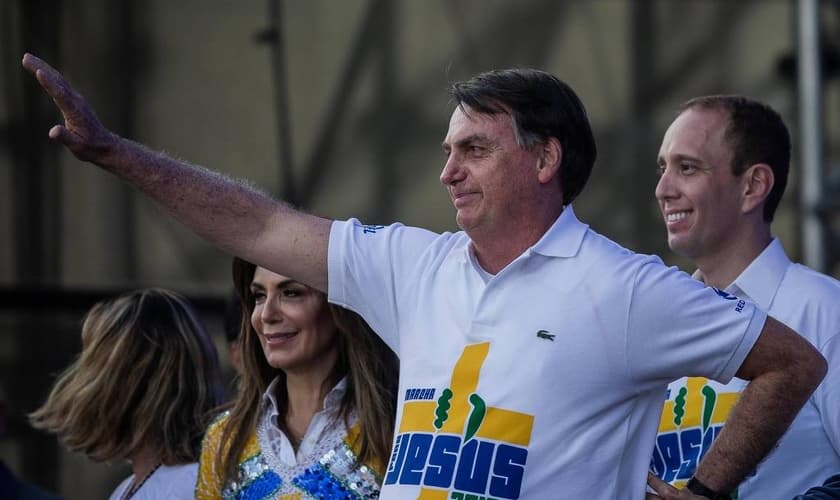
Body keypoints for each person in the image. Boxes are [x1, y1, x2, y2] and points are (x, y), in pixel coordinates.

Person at [21, 53, 827, 499]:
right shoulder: (414, 264)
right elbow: (260, 223)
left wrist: (708, 492)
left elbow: (794, 363)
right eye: (447, 151)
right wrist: (117, 155)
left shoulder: (626, 288)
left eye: (473, 149)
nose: (447, 172)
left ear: (545, 159)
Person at [647, 96, 840, 499]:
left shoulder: (824, 308)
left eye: (687, 167)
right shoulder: (655, 319)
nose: (663, 190)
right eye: (663, 168)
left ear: (753, 186)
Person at [195, 258, 398, 499]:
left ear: (341, 306)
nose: (266, 315)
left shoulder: (396, 432)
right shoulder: (224, 438)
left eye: (290, 293)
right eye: (259, 296)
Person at [29, 288, 226, 499]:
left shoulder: (187, 486)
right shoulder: (130, 487)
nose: (80, 378)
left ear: (125, 381)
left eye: (92, 361)